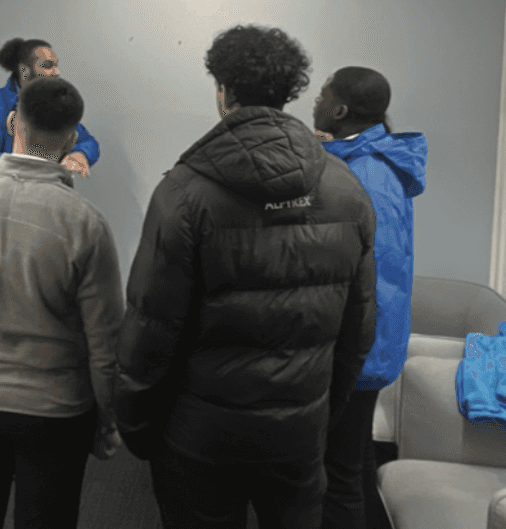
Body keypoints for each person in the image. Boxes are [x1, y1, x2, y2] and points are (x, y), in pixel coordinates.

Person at [112, 25, 378, 529]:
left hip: (201, 437)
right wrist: (322, 412)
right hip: (299, 432)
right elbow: (358, 327)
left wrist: (137, 427)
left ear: (224, 92)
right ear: (289, 92)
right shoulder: (347, 191)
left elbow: (151, 330)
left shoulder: (184, 194)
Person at [0, 76, 123, 529]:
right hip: (56, 410)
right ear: (71, 138)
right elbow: (105, 341)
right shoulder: (86, 224)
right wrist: (106, 418)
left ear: (14, 123)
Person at [313, 66, 428, 529]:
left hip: (362, 349)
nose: (316, 99)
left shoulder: (371, 177)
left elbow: (375, 279)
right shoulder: (364, 163)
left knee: (337, 476)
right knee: (355, 464)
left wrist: (346, 351)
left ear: (339, 110)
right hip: (368, 346)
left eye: (323, 93)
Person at [0, 37, 101, 179]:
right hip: (2, 196)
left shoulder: (54, 105)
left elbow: (87, 141)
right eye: (47, 66)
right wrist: (36, 170)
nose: (56, 72)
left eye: (56, 65)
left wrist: (80, 154)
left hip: (47, 193)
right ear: (25, 71)